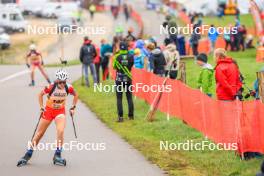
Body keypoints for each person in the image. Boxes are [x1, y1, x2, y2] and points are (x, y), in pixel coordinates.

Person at [17, 69, 78, 167]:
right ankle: (28, 154)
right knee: (40, 133)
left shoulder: (69, 87)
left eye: (64, 81)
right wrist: (41, 107)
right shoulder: (50, 87)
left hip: (60, 112)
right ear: (57, 80)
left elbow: (76, 95)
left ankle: (57, 155)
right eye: (60, 82)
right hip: (49, 111)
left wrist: (73, 107)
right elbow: (40, 94)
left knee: (60, 131)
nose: (62, 84)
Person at [113, 42, 134, 122]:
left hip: (119, 78)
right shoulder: (131, 56)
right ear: (127, 47)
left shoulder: (117, 56)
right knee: (129, 97)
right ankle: (131, 116)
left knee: (119, 98)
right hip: (128, 78)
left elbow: (114, 66)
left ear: (120, 48)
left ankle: (120, 117)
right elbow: (131, 65)